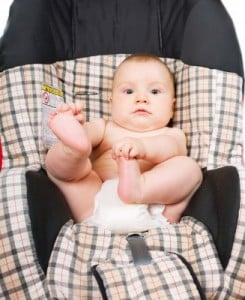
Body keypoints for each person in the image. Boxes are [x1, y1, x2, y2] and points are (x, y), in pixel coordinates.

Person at [45, 54, 202, 233]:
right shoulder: (104, 127)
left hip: (155, 208)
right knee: (68, 169)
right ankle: (72, 147)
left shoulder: (172, 134)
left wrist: (143, 148)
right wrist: (80, 130)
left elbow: (169, 147)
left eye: (155, 91)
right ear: (111, 104)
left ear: (172, 107)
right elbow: (89, 134)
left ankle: (138, 187)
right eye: (129, 91)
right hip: (95, 199)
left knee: (189, 168)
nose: (141, 98)